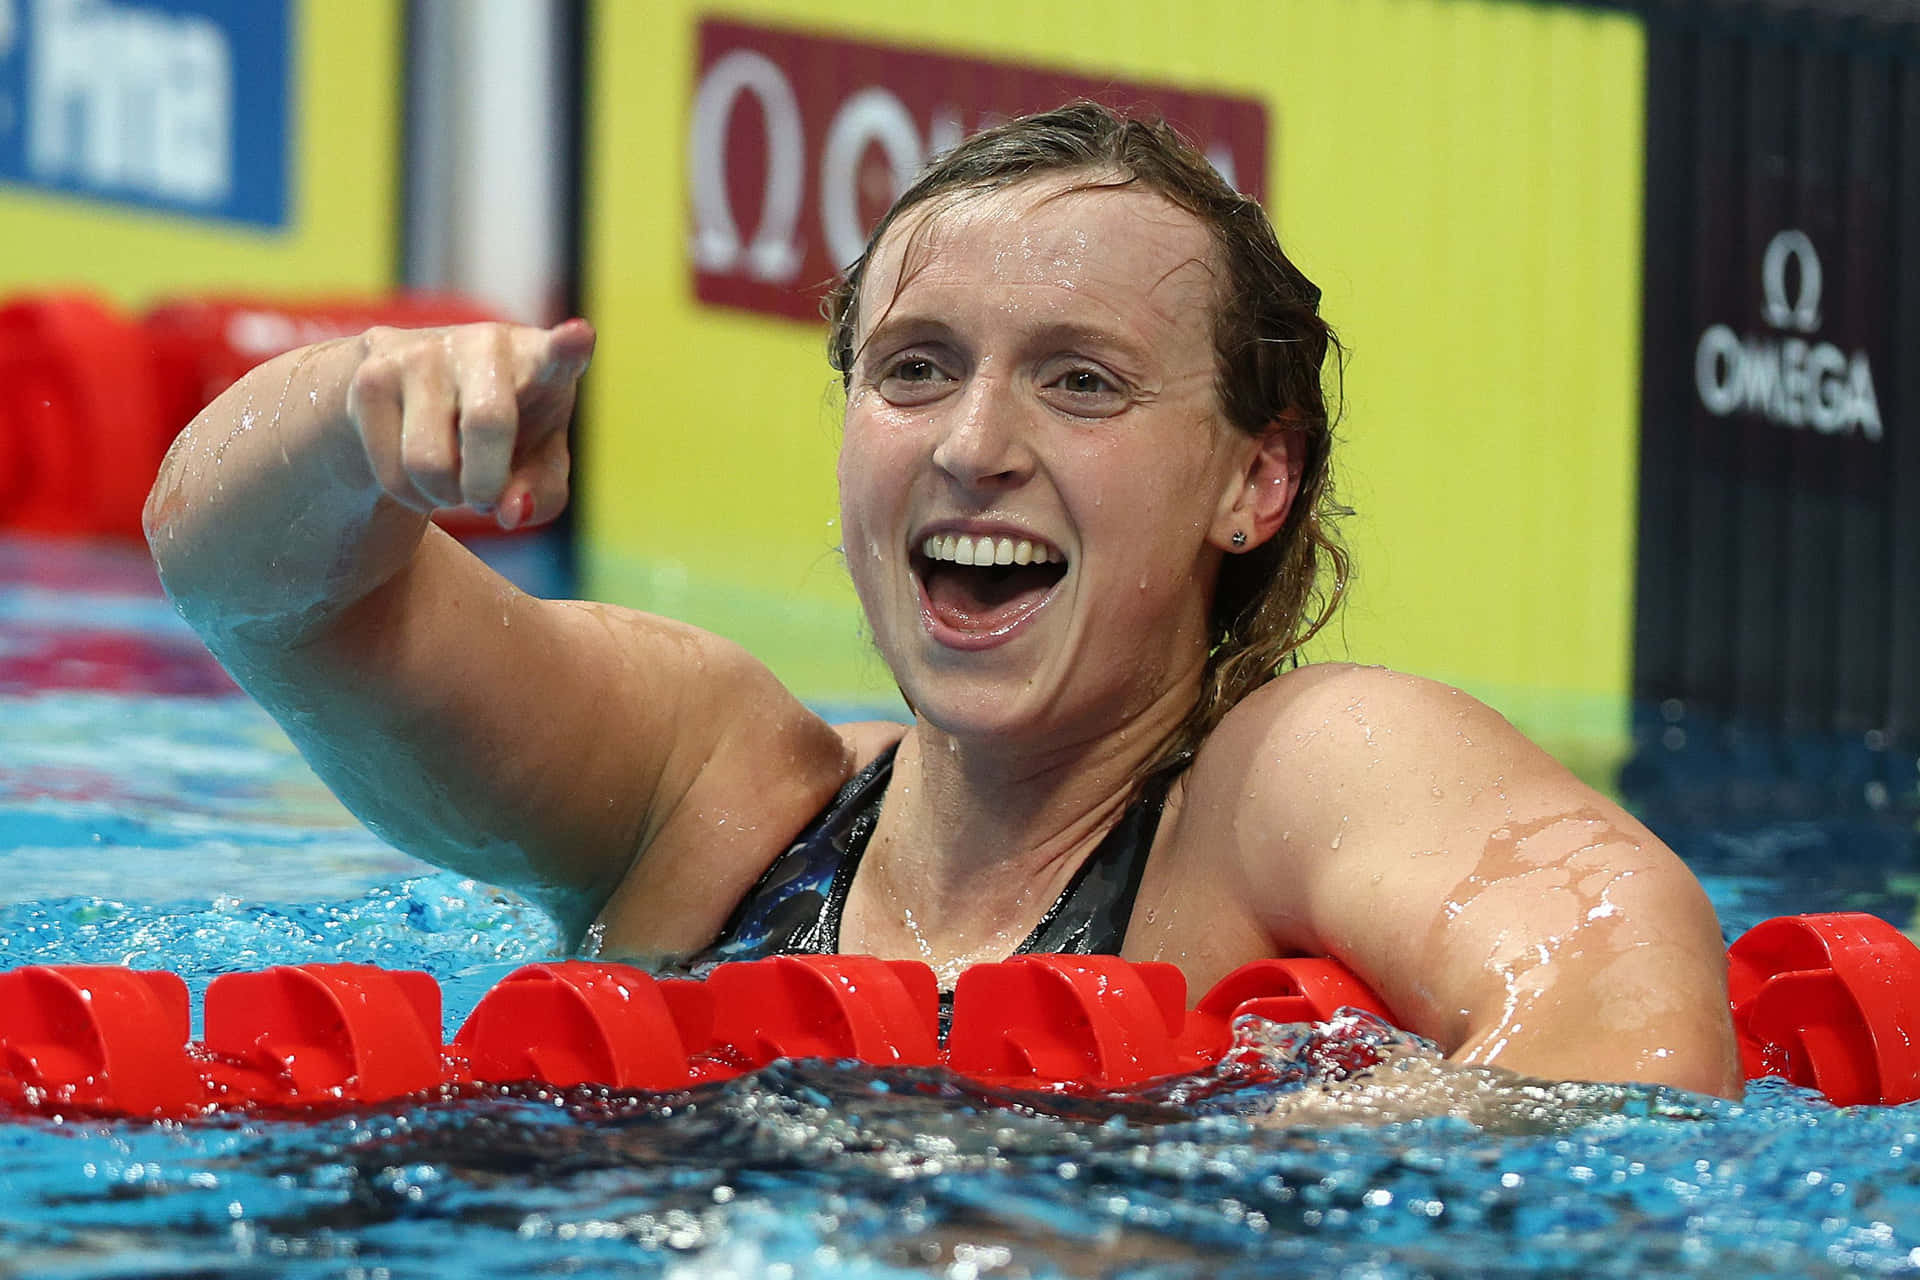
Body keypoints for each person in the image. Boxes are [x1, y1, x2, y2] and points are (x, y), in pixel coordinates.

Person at [144, 103, 1741, 1096]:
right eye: (916, 372)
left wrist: (1328, 1151)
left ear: (1253, 481)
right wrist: (356, 411)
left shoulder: (1286, 783)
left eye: (1082, 383)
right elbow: (256, 589)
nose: (977, 447)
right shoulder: (709, 797)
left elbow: (1624, 993)